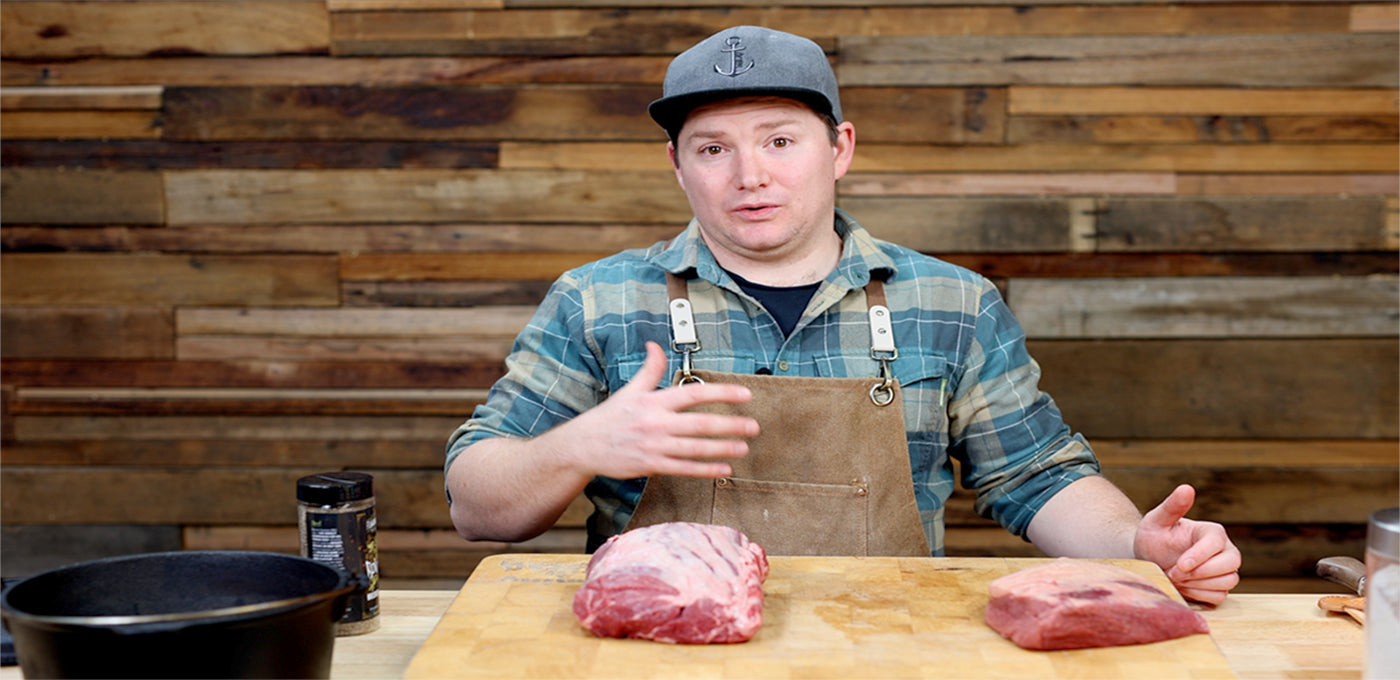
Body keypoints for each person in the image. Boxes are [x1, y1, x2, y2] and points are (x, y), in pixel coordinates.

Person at [445, 25, 1241, 603]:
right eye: (713, 148)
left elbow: (1039, 479)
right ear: (678, 167)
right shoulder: (599, 300)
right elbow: (477, 508)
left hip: (888, 650)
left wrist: (1136, 546)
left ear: (841, 148)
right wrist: (579, 445)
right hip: (662, 653)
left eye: (781, 140)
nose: (748, 174)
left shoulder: (952, 303)